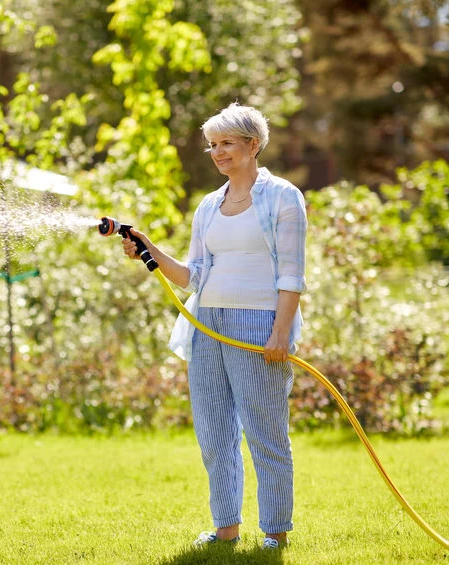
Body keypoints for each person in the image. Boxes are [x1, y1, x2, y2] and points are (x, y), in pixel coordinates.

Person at [122, 102, 307, 550]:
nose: (218, 152)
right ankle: (226, 529)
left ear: (253, 145)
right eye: (213, 145)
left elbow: (292, 275)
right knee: (214, 432)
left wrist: (280, 333)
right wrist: (149, 249)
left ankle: (276, 535)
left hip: (258, 323)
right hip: (206, 323)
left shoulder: (283, 196)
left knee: (265, 434)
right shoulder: (208, 205)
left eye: (227, 143)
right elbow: (194, 276)